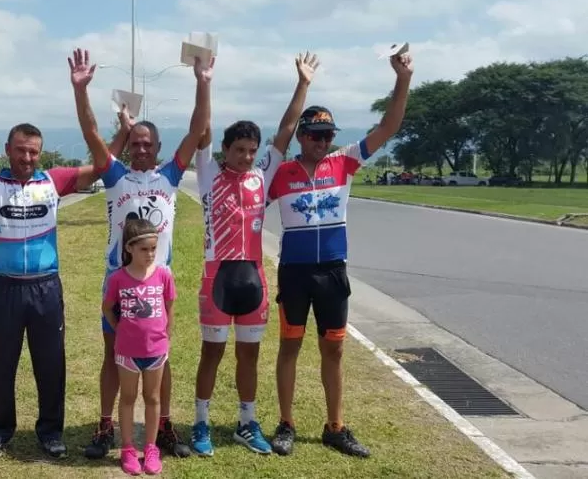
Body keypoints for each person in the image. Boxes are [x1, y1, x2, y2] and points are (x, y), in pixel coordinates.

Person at [0, 53, 108, 461]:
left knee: (51, 363)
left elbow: (103, 163)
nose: (27, 158)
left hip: (46, 287)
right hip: (6, 289)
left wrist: (81, 92)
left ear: (41, 153)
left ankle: (51, 432)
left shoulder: (54, 180)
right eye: (20, 151)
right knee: (2, 364)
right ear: (7, 149)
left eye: (33, 152)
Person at [267, 51, 413, 458]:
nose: (322, 142)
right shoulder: (280, 173)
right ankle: (286, 423)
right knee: (290, 346)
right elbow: (280, 134)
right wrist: (302, 84)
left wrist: (403, 79)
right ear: (302, 137)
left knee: (333, 349)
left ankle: (335, 426)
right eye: (315, 135)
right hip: (295, 272)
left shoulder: (343, 162)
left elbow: (388, 127)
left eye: (328, 136)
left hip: (332, 271)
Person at [73, 49, 214, 460]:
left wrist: (202, 82)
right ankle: (106, 425)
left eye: (147, 144)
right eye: (134, 143)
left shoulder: (170, 175)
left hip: (156, 282)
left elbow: (197, 128)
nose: (140, 149)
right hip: (119, 281)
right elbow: (90, 133)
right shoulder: (114, 176)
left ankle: (163, 425)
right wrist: (81, 91)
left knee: (159, 358)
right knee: (112, 354)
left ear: (157, 147)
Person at [189, 52, 321, 456]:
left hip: (254, 278)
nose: (247, 157)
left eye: (252, 150)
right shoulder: (208, 173)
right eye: (240, 150)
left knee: (250, 354)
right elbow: (202, 128)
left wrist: (303, 83)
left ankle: (246, 422)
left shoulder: (261, 176)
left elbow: (286, 130)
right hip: (217, 278)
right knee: (212, 353)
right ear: (225, 149)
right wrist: (204, 82)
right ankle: (200, 422)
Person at [102, 218, 177, 476]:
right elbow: (107, 308)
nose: (150, 254)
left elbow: (170, 307)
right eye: (144, 249)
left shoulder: (163, 275)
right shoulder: (118, 278)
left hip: (156, 351)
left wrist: (166, 335)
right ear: (129, 249)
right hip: (127, 352)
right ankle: (127, 449)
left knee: (153, 398)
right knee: (128, 397)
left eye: (153, 248)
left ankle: (151, 448)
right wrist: (120, 328)